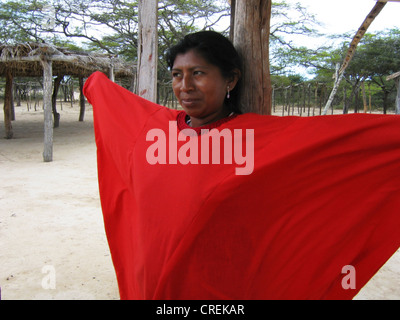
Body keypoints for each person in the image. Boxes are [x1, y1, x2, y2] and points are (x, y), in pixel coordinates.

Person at [83, 31, 400, 300]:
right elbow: (112, 103)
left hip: (216, 290)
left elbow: (339, 142)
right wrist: (94, 84)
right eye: (177, 75)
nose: (186, 86)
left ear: (230, 79)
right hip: (149, 285)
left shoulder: (255, 138)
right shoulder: (154, 131)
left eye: (199, 73)